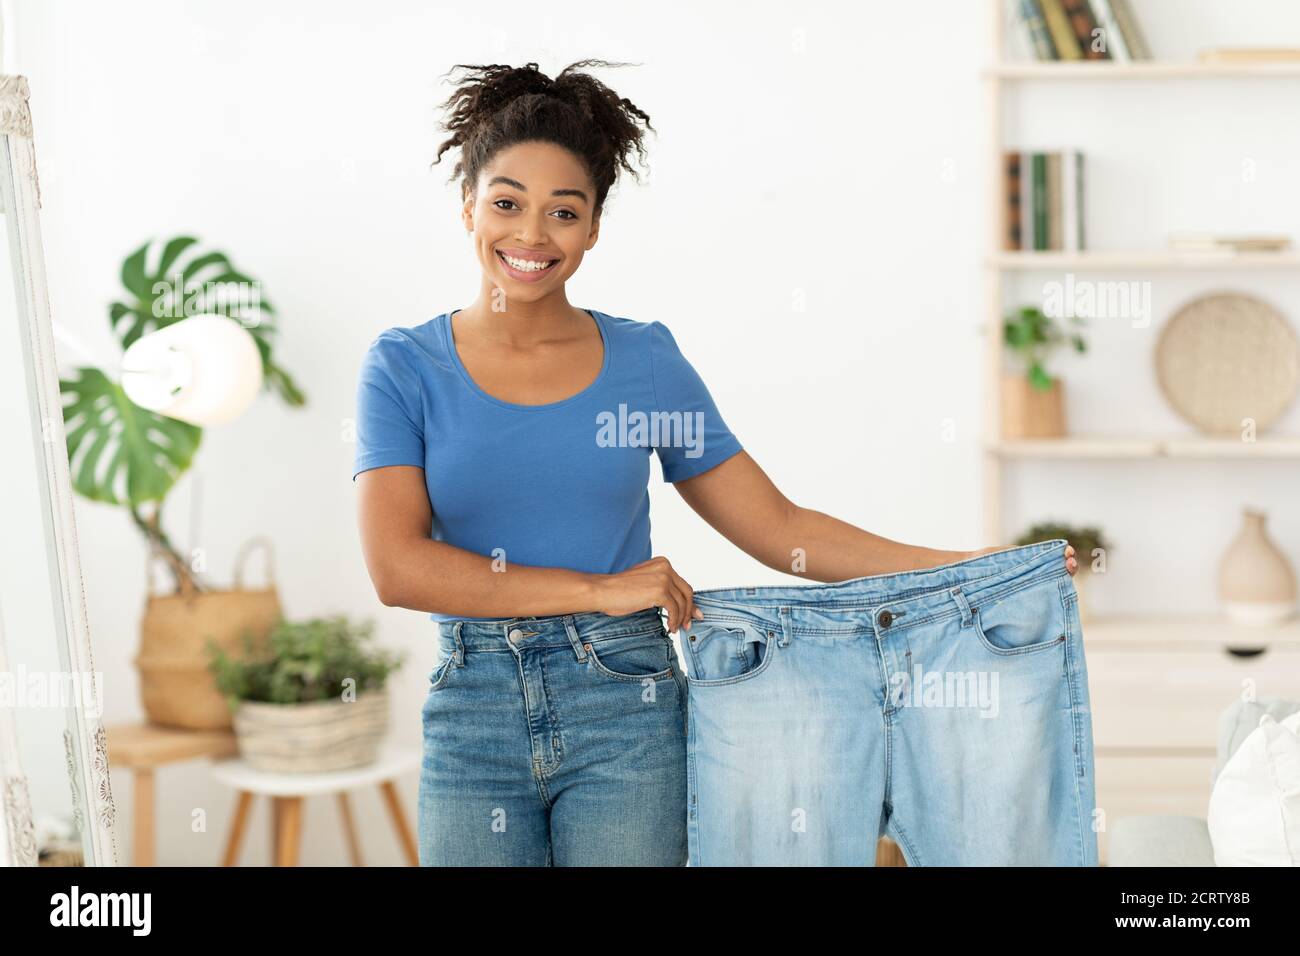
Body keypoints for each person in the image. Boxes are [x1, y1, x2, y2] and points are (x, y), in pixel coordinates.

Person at [352, 60, 1077, 866]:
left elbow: (780, 528)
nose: (531, 235)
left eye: (564, 211)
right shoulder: (405, 367)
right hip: (473, 710)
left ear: (593, 228)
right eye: (507, 202)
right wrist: (595, 589)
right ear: (468, 206)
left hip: (623, 706)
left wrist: (965, 570)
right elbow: (398, 568)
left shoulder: (643, 363)